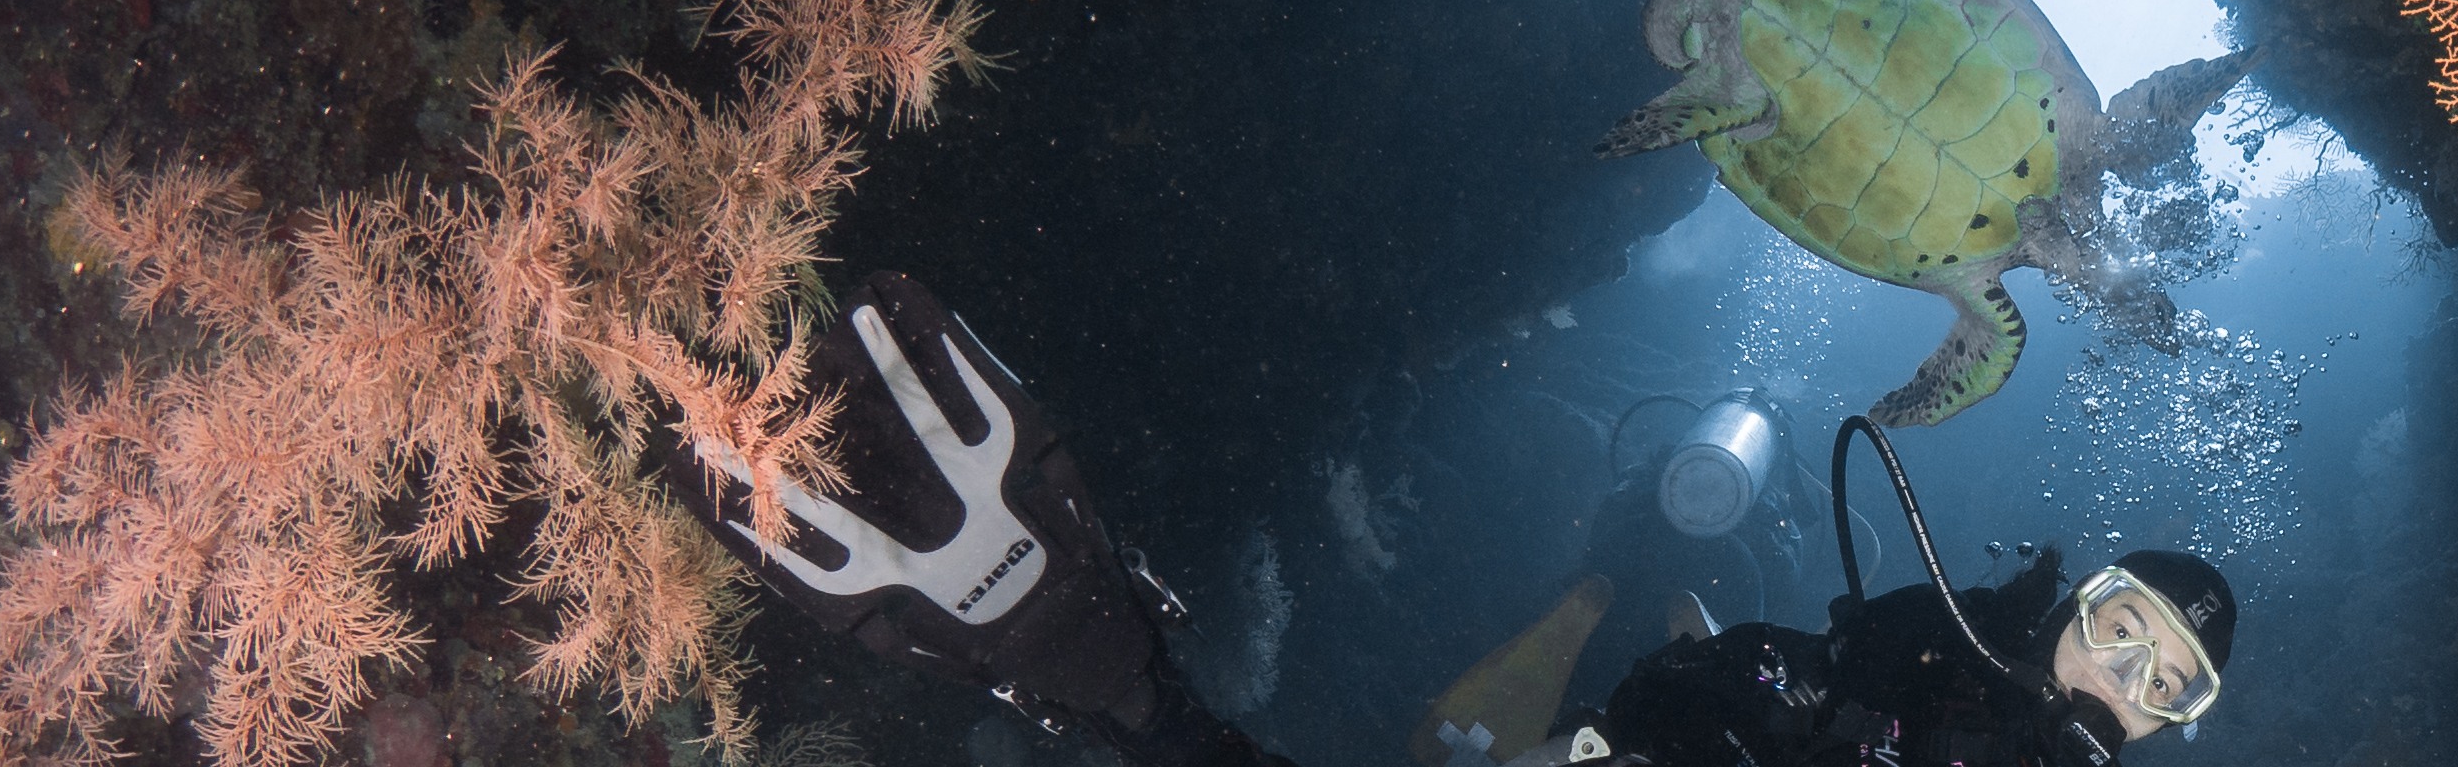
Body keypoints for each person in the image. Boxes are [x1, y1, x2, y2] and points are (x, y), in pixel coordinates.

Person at [676, 272, 2235, 767]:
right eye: (2125, 628)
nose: (2126, 681)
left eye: (2169, 684)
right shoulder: (1899, 660)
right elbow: (1711, 683)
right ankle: (1076, 644)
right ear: (2076, 593)